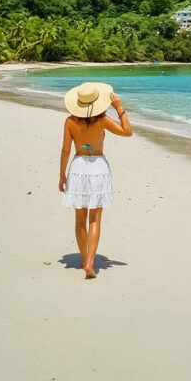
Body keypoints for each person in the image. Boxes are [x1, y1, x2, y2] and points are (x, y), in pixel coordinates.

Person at [59, 82, 132, 278]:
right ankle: (90, 262)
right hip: (98, 167)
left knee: (79, 219)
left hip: (78, 168)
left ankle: (84, 259)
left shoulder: (70, 121)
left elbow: (66, 150)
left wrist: (61, 175)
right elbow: (127, 132)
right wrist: (119, 109)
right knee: (95, 219)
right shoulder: (102, 120)